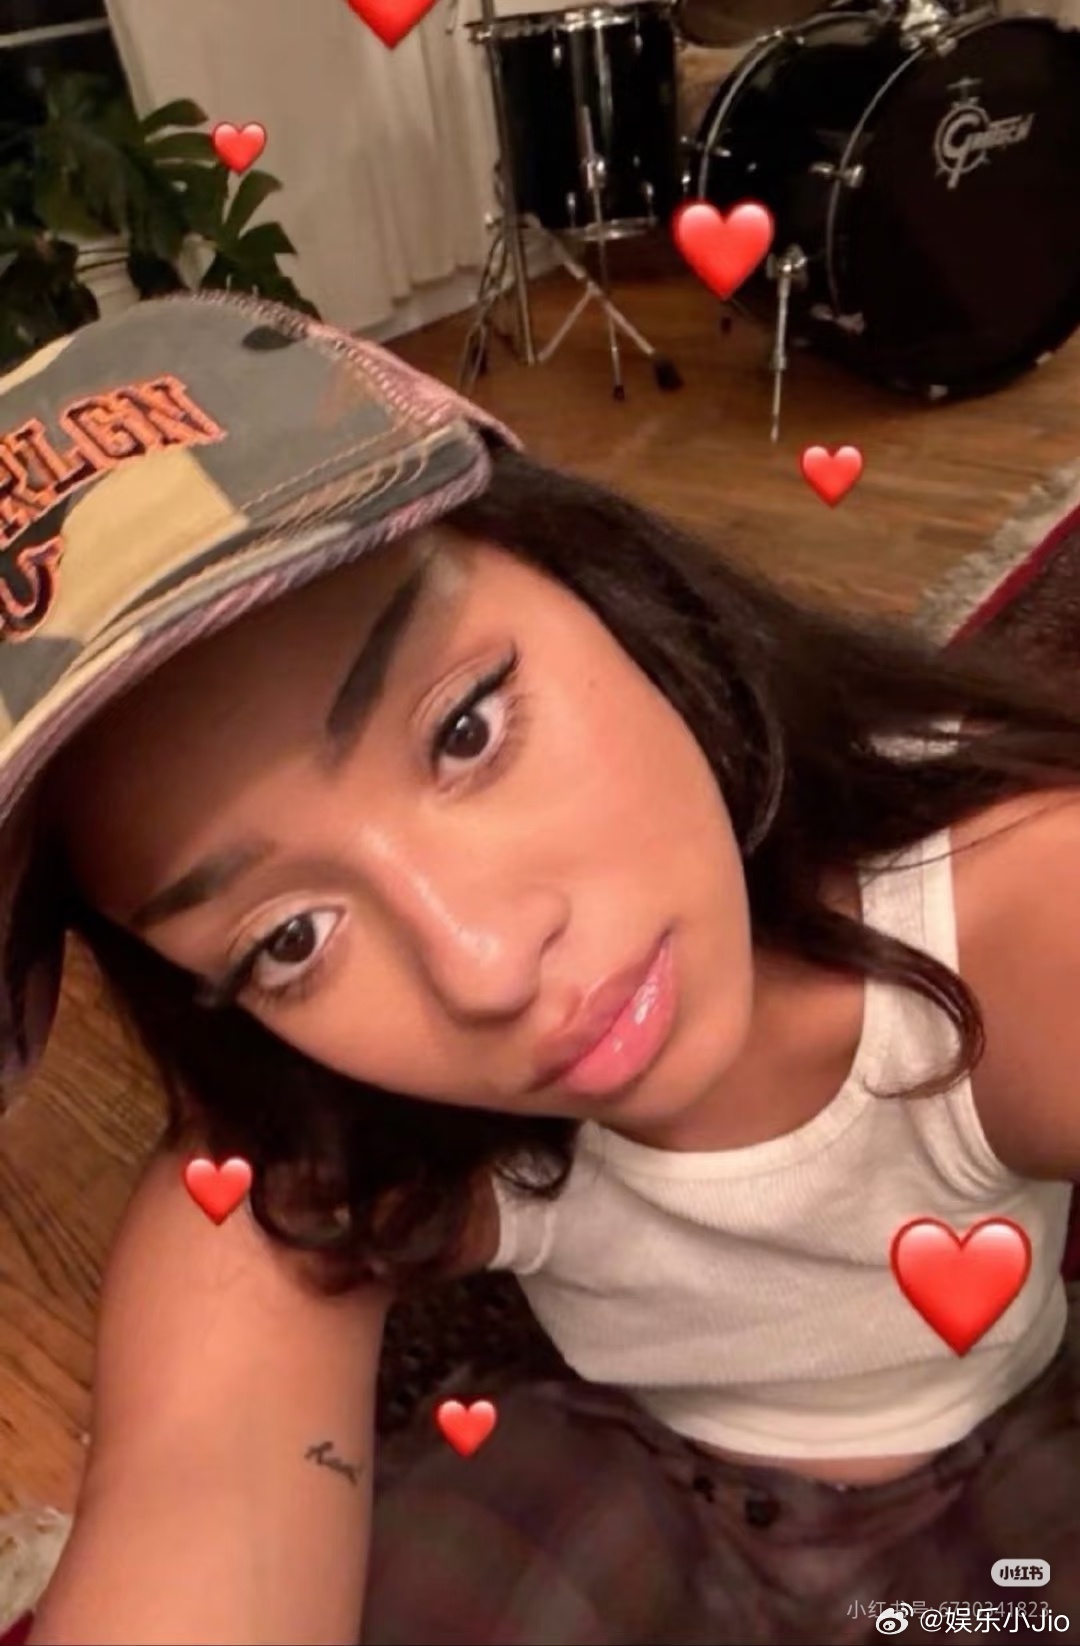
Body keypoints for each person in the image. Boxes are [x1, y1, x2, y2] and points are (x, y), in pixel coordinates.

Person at [2, 293, 1079, 1646]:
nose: (485, 966)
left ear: (598, 576)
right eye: (290, 939)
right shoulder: (321, 1134)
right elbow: (199, 1484)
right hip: (643, 1478)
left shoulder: (1002, 902)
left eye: (466, 728)